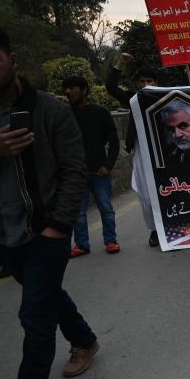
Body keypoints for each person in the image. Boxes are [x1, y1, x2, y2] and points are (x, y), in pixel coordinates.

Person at [0, 24, 99, 379]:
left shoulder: (52, 111)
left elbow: (74, 170)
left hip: (45, 231)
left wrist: (59, 226)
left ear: (12, 60)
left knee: (34, 312)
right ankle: (84, 340)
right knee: (46, 297)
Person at [105, 52, 160, 247]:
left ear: (156, 82)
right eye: (142, 81)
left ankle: (172, 228)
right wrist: (120, 64)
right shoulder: (133, 100)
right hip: (141, 151)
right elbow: (111, 87)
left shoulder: (164, 99)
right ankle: (154, 230)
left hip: (163, 152)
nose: (146, 85)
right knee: (145, 193)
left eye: (150, 81)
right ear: (137, 83)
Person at [62, 74, 120, 257]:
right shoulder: (64, 114)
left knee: (105, 207)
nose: (67, 91)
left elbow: (113, 141)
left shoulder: (100, 112)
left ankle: (111, 240)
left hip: (99, 171)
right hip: (75, 172)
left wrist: (108, 165)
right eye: (65, 88)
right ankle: (81, 244)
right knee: (78, 212)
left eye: (72, 88)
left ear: (84, 90)